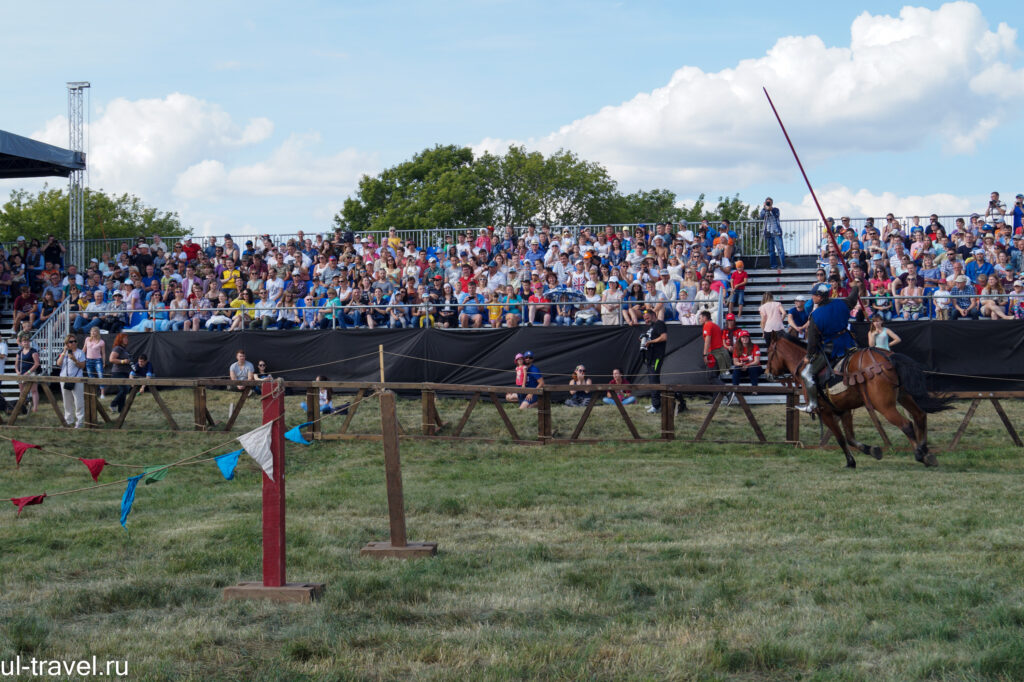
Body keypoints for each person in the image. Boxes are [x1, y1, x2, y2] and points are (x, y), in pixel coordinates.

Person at [797, 280, 864, 413]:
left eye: (814, 295)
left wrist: (809, 356)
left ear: (820, 297)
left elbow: (812, 341)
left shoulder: (815, 316)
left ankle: (813, 405)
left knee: (806, 374)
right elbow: (853, 298)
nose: (812, 297)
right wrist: (855, 287)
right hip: (849, 343)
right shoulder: (842, 303)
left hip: (831, 348)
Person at [640, 307, 668, 414]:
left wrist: (651, 342)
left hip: (656, 357)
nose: (646, 321)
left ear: (653, 315)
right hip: (650, 357)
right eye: (644, 319)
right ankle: (655, 403)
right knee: (652, 380)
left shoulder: (660, 324)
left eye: (647, 318)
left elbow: (664, 337)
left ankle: (656, 406)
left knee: (654, 379)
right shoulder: (651, 327)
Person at [57, 334, 87, 428]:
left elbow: (82, 366)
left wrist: (74, 359)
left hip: (77, 379)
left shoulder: (80, 353)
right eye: (71, 342)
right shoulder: (64, 352)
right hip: (64, 378)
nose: (73, 343)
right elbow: (58, 363)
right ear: (67, 343)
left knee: (79, 401)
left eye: (75, 341)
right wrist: (64, 352)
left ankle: (80, 421)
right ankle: (69, 420)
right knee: (67, 401)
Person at [699, 310, 731, 381]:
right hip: (721, 352)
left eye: (700, 318)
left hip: (714, 354)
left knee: (711, 376)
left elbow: (707, 341)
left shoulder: (707, 325)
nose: (699, 320)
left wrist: (705, 355)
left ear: (705, 318)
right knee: (714, 376)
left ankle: (724, 391)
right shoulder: (715, 326)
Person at [14, 333, 40, 414]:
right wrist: (18, 372)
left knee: (34, 390)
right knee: (22, 392)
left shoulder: (33, 351)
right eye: (24, 341)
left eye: (27, 341)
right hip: (21, 373)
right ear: (21, 343)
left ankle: (35, 408)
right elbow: (16, 365)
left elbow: (36, 364)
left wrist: (28, 372)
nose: (26, 343)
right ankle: (22, 407)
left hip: (31, 373)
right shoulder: (19, 352)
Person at [108, 333, 132, 413]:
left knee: (124, 391)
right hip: (118, 372)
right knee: (125, 389)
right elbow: (111, 359)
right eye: (125, 338)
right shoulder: (117, 348)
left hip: (124, 372)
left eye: (127, 338)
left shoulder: (124, 349)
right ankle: (113, 404)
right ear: (120, 339)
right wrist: (123, 361)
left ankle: (121, 410)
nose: (126, 340)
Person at [760, 197, 785, 269]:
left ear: (772, 203)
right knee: (771, 250)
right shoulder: (763, 210)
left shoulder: (776, 210)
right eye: (767, 202)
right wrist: (765, 208)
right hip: (768, 232)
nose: (768, 204)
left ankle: (782, 264)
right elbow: (761, 216)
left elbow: (777, 215)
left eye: (769, 202)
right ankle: (773, 265)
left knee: (780, 249)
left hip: (776, 232)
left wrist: (770, 209)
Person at [83, 326, 107, 399]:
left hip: (97, 360)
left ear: (97, 333)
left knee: (100, 375)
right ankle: (94, 393)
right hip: (88, 360)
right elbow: (84, 349)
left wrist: (103, 362)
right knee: (91, 376)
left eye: (95, 331)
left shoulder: (101, 342)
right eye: (92, 331)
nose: (93, 333)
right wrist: (79, 356)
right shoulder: (87, 339)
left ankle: (102, 393)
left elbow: (103, 353)